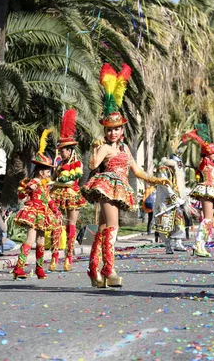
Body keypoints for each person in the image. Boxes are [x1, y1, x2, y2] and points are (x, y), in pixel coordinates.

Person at [82, 63, 168, 288]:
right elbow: (92, 164)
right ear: (105, 131)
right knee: (113, 226)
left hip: (120, 187)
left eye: (116, 128)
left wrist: (157, 180)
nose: (113, 132)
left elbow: (137, 171)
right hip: (107, 187)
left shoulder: (125, 149)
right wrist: (94, 148)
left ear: (122, 129)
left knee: (103, 229)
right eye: (109, 129)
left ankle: (94, 270)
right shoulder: (105, 148)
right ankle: (108, 270)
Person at [12, 130, 62, 280]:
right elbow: (21, 195)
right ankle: (18, 268)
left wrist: (56, 211)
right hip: (34, 213)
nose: (49, 174)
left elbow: (48, 200)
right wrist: (28, 189)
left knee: (41, 241)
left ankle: (39, 269)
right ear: (41, 172)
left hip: (44, 214)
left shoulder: (45, 185)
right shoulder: (33, 181)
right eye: (48, 171)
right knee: (30, 240)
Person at [50, 109, 86, 271]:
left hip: (72, 196)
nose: (61, 152)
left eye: (63, 150)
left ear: (70, 150)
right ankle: (55, 257)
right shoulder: (58, 164)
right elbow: (53, 179)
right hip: (57, 196)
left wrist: (54, 182)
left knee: (71, 225)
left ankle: (69, 258)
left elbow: (70, 180)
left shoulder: (77, 165)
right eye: (60, 150)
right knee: (56, 225)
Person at [182, 124, 214, 257]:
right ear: (208, 154)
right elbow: (201, 165)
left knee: (209, 220)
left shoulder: (213, 164)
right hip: (207, 190)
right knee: (207, 219)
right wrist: (202, 144)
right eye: (213, 153)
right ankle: (198, 244)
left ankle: (201, 244)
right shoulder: (205, 162)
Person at [153, 151, 191, 254]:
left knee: (179, 222)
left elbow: (180, 186)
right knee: (164, 224)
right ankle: (167, 245)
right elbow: (165, 185)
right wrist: (175, 198)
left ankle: (178, 243)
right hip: (165, 202)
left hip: (177, 203)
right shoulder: (163, 170)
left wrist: (184, 196)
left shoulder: (178, 172)